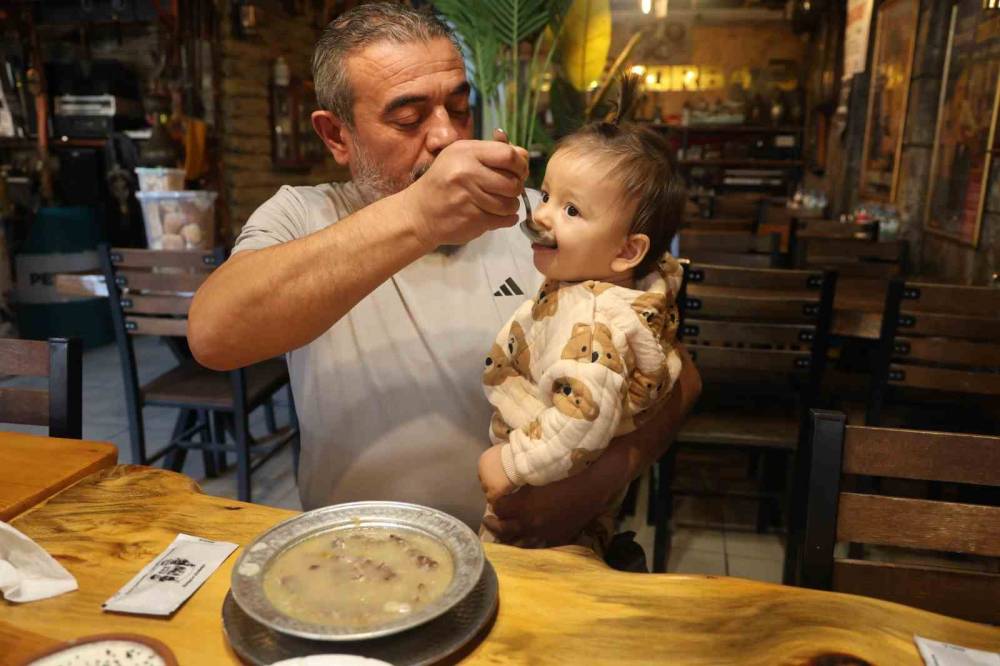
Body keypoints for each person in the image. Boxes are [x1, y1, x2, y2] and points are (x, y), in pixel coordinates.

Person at [188, 3, 701, 547]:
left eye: (459, 108)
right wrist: (418, 217)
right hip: (359, 555)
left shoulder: (546, 220)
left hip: (535, 560)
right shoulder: (301, 216)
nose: (445, 137)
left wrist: (599, 479)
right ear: (337, 135)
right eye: (408, 118)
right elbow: (214, 335)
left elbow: (677, 375)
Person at [478, 81, 686, 554]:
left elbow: (581, 422)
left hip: (541, 488)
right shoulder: (622, 288)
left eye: (572, 210)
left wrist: (510, 464)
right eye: (547, 195)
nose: (544, 215)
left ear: (626, 251)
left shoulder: (591, 320)